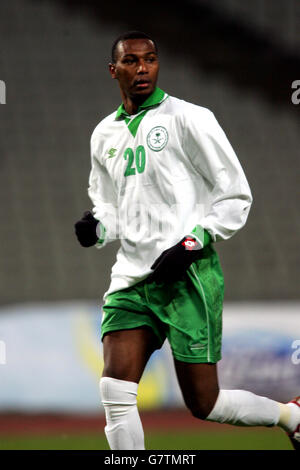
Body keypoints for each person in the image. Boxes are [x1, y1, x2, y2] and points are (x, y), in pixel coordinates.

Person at [74, 31, 300, 450]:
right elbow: (108, 208)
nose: (142, 68)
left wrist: (191, 243)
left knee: (205, 402)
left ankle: (292, 416)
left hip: (188, 277)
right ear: (114, 70)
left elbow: (235, 196)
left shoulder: (191, 118)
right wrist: (97, 228)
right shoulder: (103, 134)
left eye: (150, 59)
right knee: (115, 391)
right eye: (131, 61)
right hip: (131, 280)